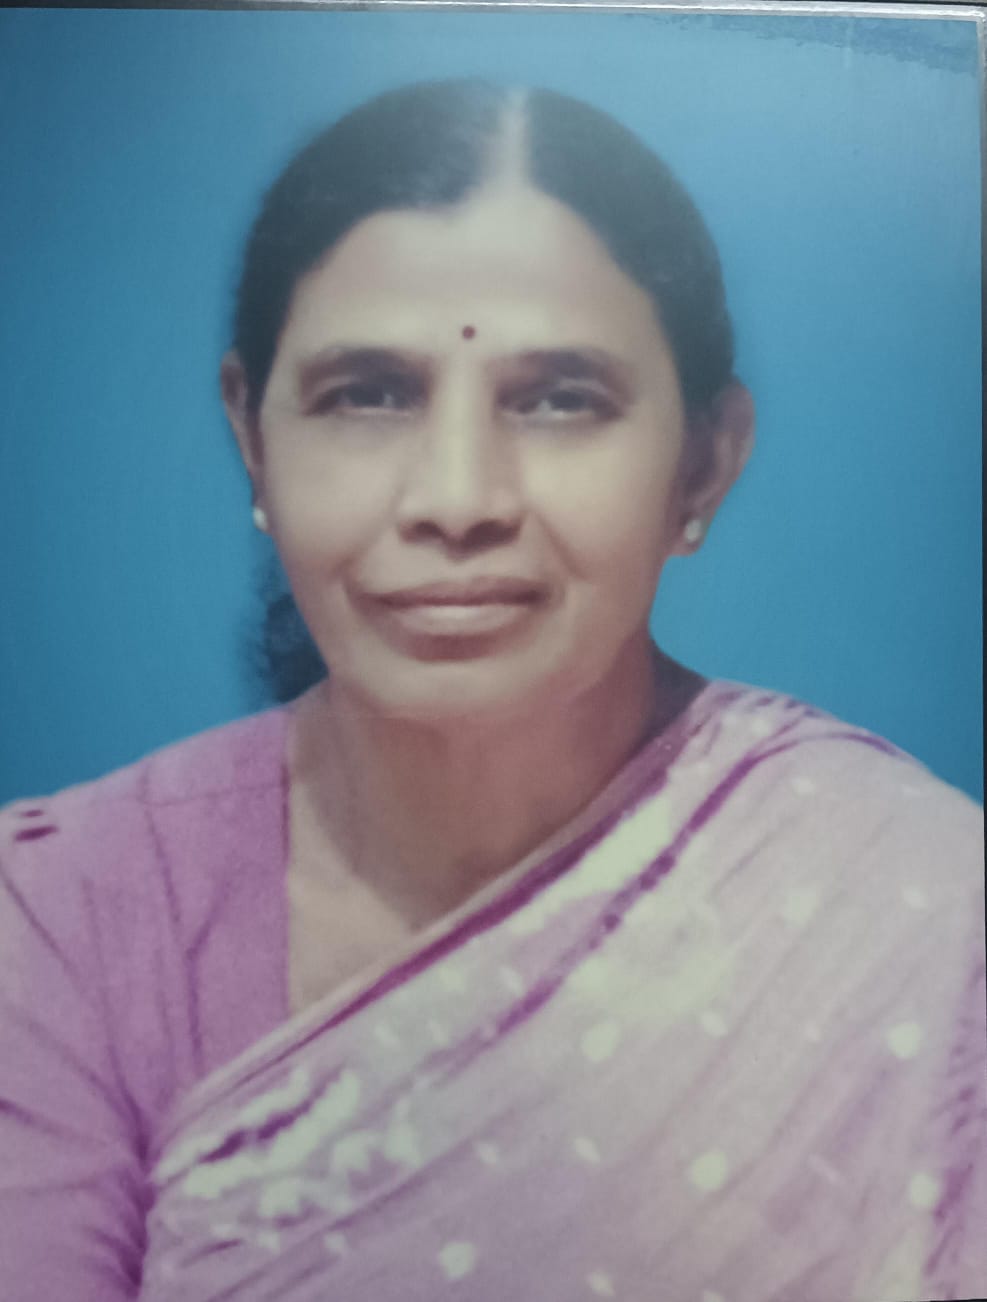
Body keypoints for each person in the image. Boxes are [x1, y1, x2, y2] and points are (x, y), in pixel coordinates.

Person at [0, 79, 983, 1302]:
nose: (457, 499)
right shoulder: (65, 922)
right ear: (253, 439)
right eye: (369, 394)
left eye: (561, 399)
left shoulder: (914, 909)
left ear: (703, 462)